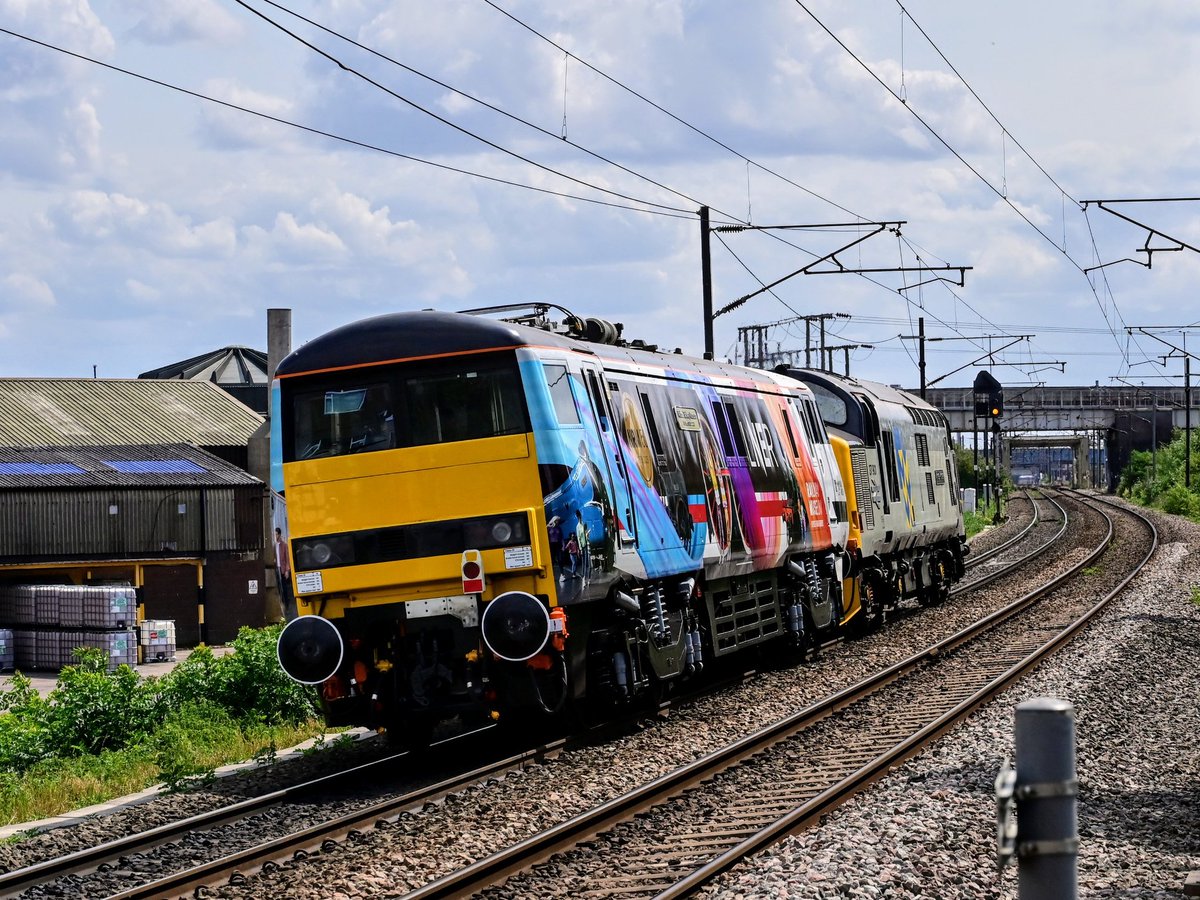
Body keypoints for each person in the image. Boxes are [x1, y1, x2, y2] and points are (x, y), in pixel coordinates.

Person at [275, 526, 297, 621]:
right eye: (274, 534)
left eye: (276, 534)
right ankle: (282, 606)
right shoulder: (273, 545)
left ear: (279, 534)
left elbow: (287, 558)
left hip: (283, 569)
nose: (275, 536)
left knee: (285, 588)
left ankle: (288, 606)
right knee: (279, 588)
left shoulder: (284, 545)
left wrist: (287, 570)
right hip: (277, 568)